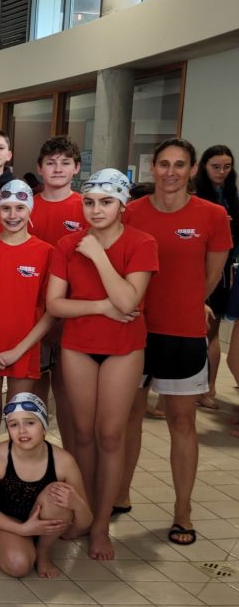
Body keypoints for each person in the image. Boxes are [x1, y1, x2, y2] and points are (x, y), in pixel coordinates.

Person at [120, 139, 231, 546]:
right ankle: (120, 493)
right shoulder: (132, 213)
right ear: (153, 167)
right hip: (136, 330)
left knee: (182, 422)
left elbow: (212, 275)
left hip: (182, 333)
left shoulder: (212, 216)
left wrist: (188, 303)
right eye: (164, 164)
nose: (170, 172)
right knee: (130, 416)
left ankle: (183, 510)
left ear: (192, 169)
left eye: (179, 165)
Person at [45, 168, 158, 560]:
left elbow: (128, 301)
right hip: (79, 346)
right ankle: (84, 511)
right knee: (82, 433)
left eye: (106, 202)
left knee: (110, 435)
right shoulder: (66, 244)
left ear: (122, 205)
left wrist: (97, 255)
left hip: (123, 349)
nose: (96, 210)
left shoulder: (142, 243)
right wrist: (99, 307)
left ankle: (100, 524)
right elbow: (55, 304)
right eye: (90, 202)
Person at [0, 180, 55, 449]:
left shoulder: (45, 252)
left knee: (18, 416)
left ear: (30, 210)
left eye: (20, 208)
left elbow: (50, 311)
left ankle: (15, 471)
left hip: (24, 348)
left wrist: (19, 350)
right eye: (6, 208)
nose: (13, 215)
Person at [0, 393, 92, 578]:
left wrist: (77, 504)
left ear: (44, 427)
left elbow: (85, 523)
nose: (22, 431)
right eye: (14, 425)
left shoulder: (64, 461)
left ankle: (42, 552)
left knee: (58, 493)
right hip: (9, 523)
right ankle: (14, 545)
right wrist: (22, 530)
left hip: (46, 524)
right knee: (18, 566)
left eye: (30, 423)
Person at [29, 136, 87, 452]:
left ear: (76, 168)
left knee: (70, 401)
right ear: (39, 168)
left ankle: (72, 466)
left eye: (65, 163)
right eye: (50, 163)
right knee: (34, 399)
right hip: (32, 317)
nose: (58, 169)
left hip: (72, 318)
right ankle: (34, 464)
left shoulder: (86, 208)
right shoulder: (26, 206)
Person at [195, 145, 238, 410]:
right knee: (195, 332)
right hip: (197, 267)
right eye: (216, 166)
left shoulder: (232, 195)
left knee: (212, 331)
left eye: (227, 167)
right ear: (204, 166)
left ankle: (208, 387)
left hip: (222, 271)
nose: (222, 172)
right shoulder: (195, 195)